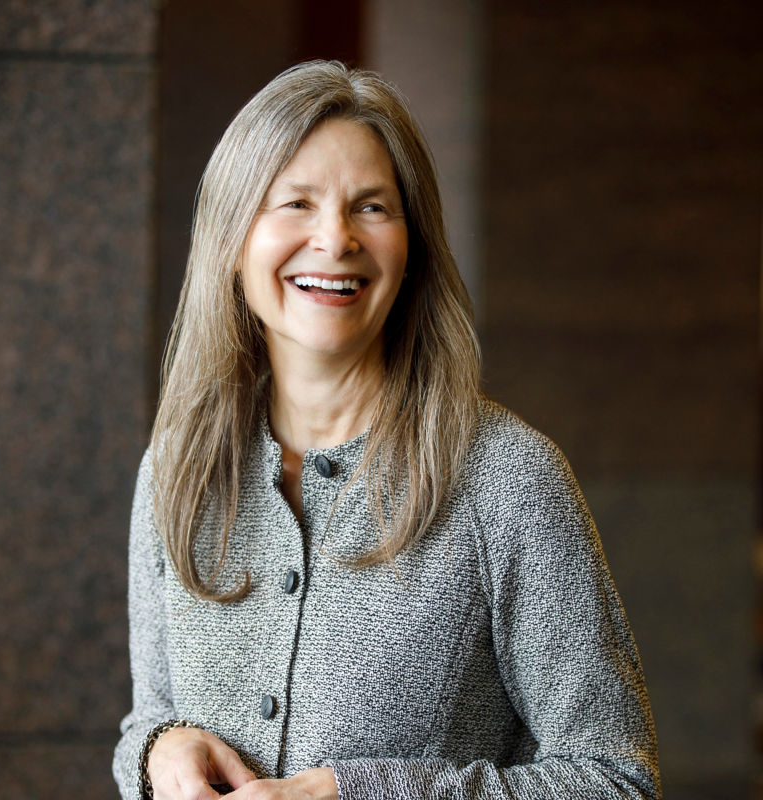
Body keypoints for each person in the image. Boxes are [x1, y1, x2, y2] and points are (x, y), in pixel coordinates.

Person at [113, 60, 661, 800]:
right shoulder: (179, 467)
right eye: (295, 203)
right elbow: (149, 717)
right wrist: (156, 751)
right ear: (233, 239)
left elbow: (617, 781)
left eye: (371, 207)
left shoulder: (506, 479)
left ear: (413, 251)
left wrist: (355, 793)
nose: (335, 238)